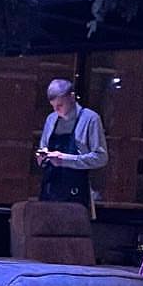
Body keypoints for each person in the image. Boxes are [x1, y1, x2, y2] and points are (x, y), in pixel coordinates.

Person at [35, 76, 107, 208]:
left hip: (75, 194)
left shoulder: (90, 119)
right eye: (53, 106)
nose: (56, 110)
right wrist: (42, 157)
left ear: (72, 97)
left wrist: (65, 159)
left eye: (60, 105)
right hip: (49, 191)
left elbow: (101, 158)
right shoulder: (51, 119)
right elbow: (43, 148)